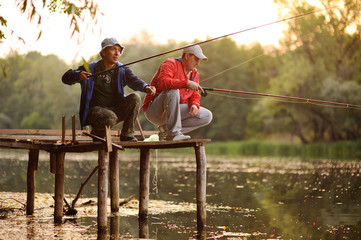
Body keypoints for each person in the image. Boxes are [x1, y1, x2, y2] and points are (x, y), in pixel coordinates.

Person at [62, 37, 156, 141]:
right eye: (113, 49)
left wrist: (146, 87)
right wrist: (78, 75)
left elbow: (134, 80)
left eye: (119, 50)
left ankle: (127, 135)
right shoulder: (90, 68)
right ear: (103, 53)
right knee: (110, 117)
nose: (117, 53)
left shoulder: (123, 69)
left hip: (116, 110)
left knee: (135, 97)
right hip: (95, 111)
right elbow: (65, 78)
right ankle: (98, 132)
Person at [142, 44, 212, 141]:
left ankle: (166, 129)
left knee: (207, 116)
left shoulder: (195, 73)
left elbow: (195, 95)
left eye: (199, 60)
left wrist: (194, 105)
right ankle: (174, 133)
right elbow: (163, 82)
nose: (198, 63)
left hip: (173, 112)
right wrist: (186, 83)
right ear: (187, 56)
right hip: (154, 111)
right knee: (172, 91)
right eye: (196, 59)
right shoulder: (170, 63)